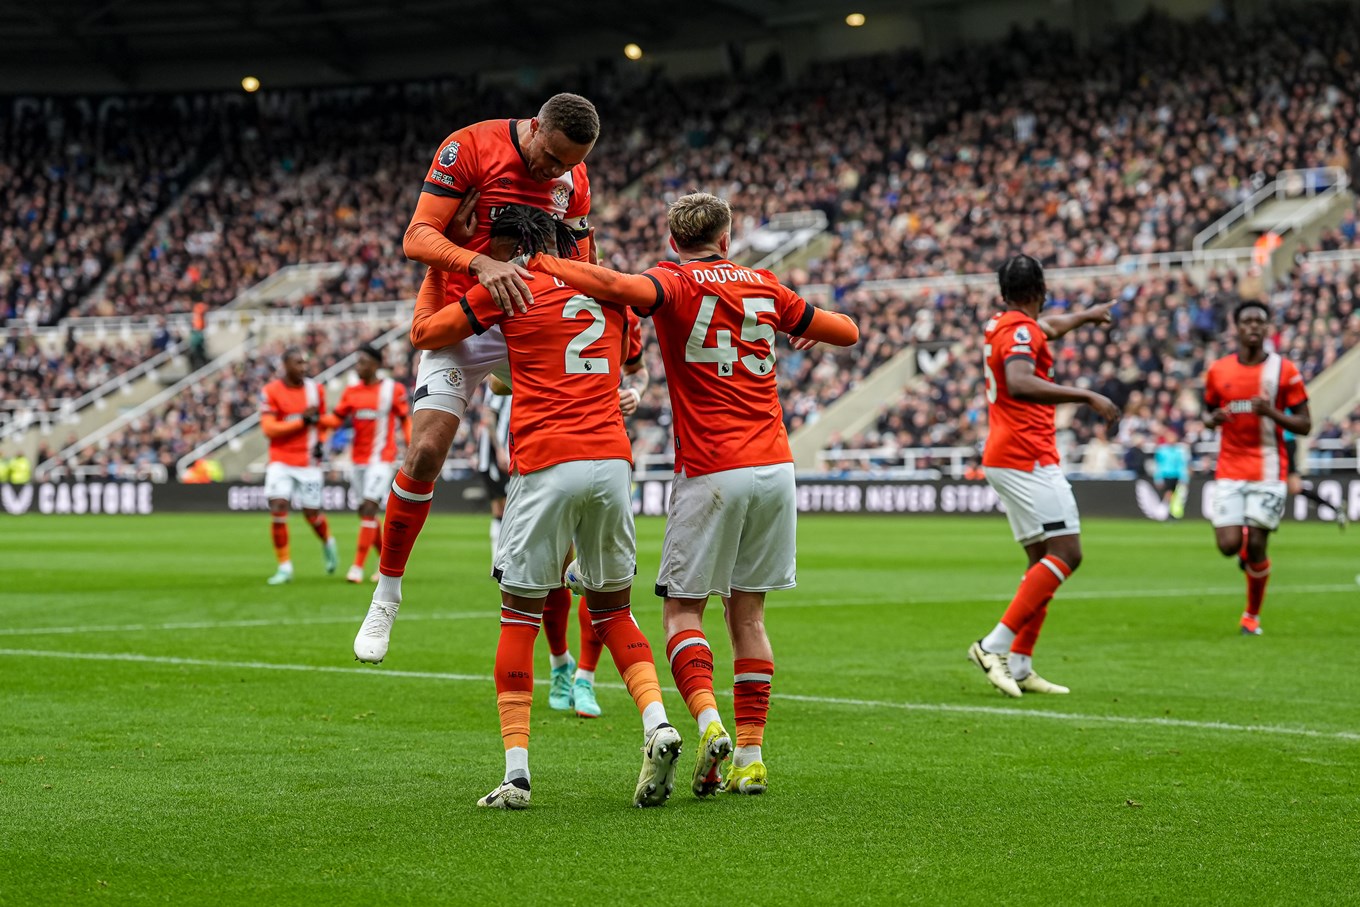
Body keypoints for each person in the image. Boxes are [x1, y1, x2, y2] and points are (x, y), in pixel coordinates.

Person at [525, 191, 860, 797]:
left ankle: (708, 721)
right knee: (750, 615)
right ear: (727, 238)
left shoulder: (672, 280)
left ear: (672, 239)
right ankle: (752, 758)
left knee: (683, 610)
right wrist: (809, 331)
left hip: (712, 468)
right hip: (777, 468)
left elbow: (620, 289)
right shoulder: (764, 283)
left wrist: (545, 263)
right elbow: (847, 330)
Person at [409, 204, 681, 810]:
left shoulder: (511, 288)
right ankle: (657, 722)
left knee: (517, 617)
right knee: (614, 610)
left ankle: (517, 776)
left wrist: (437, 266)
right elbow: (620, 357)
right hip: (612, 459)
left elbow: (426, 335)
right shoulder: (609, 292)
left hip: (546, 461)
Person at [355, 92, 599, 665]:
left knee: (582, 436)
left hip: (528, 319)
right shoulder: (469, 146)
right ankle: (386, 592)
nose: (554, 172)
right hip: (460, 314)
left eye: (568, 165)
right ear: (534, 127)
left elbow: (581, 251)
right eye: (550, 159)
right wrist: (479, 261)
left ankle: (577, 555)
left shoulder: (573, 177)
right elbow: (417, 238)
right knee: (424, 454)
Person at [965, 255, 1120, 698]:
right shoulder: (1020, 331)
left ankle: (1021, 664)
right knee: (1068, 552)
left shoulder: (1002, 323)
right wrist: (1086, 395)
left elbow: (1045, 328)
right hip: (1026, 456)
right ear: (1042, 290)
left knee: (1042, 564)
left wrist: (1087, 317)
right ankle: (991, 645)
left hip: (1006, 453)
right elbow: (1019, 380)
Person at [1204, 300, 1311, 635]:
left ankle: (1251, 616)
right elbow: (1207, 413)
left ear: (1267, 328)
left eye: (1259, 322)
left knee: (1258, 547)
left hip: (1268, 469)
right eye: (1247, 321)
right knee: (1228, 546)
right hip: (1230, 467)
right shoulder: (1218, 371)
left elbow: (1305, 424)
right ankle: (1245, 543)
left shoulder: (1285, 371)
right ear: (1236, 328)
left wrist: (1272, 413)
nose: (1253, 327)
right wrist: (1213, 420)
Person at [320, 344, 411, 584]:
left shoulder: (393, 389)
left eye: (362, 362)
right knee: (366, 513)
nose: (358, 367)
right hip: (357, 461)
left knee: (370, 508)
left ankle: (357, 568)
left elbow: (405, 419)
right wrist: (313, 420)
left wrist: (413, 447)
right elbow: (335, 419)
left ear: (376, 364)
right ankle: (385, 565)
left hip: (382, 459)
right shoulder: (351, 392)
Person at [259, 348, 338, 585]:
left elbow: (322, 423)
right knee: (278, 506)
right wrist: (302, 421)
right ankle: (284, 567)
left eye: (305, 363)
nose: (303, 367)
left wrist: (321, 443)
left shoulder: (316, 390)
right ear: (285, 365)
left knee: (311, 513)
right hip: (280, 460)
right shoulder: (271, 391)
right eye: (298, 363)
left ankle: (327, 542)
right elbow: (269, 429)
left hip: (308, 463)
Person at [1284, 429, 1346, 529]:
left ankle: (1335, 508)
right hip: (1284, 442)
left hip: (1283, 442)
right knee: (1294, 488)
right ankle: (1335, 508)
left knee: (1293, 487)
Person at [1153, 432, 1190, 519]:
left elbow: (1181, 465)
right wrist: (1158, 478)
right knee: (1169, 493)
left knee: (1175, 495)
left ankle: (1170, 512)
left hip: (1176, 475)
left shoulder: (1179, 450)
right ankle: (1165, 511)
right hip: (1166, 475)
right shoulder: (1162, 450)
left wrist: (1184, 477)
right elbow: (1158, 465)